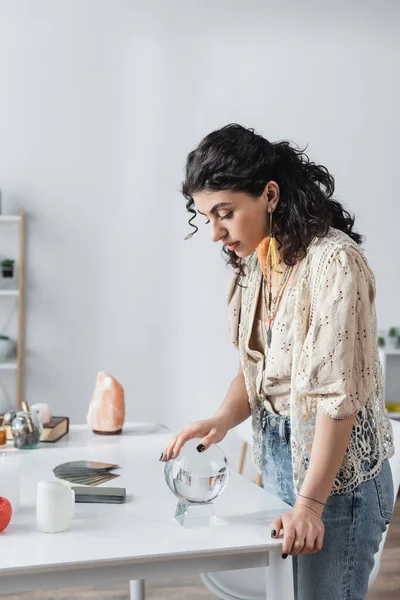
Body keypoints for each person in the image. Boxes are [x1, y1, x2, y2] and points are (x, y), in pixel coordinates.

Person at [161, 123, 395, 600]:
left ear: (269, 194)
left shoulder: (334, 263)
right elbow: (257, 370)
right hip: (281, 466)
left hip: (337, 483)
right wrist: (222, 419)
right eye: (206, 217)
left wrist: (310, 505)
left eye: (225, 213)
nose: (215, 233)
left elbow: (337, 401)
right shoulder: (258, 261)